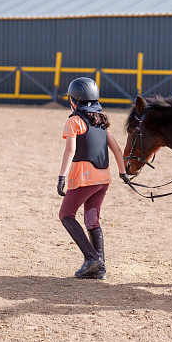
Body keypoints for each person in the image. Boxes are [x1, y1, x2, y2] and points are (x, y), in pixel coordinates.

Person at [57, 77, 127, 279]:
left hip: (83, 179)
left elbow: (71, 151)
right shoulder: (102, 121)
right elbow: (115, 149)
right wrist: (122, 172)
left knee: (66, 215)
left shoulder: (74, 121)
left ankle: (91, 258)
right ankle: (100, 268)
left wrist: (62, 177)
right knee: (91, 220)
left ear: (75, 100)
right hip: (103, 179)